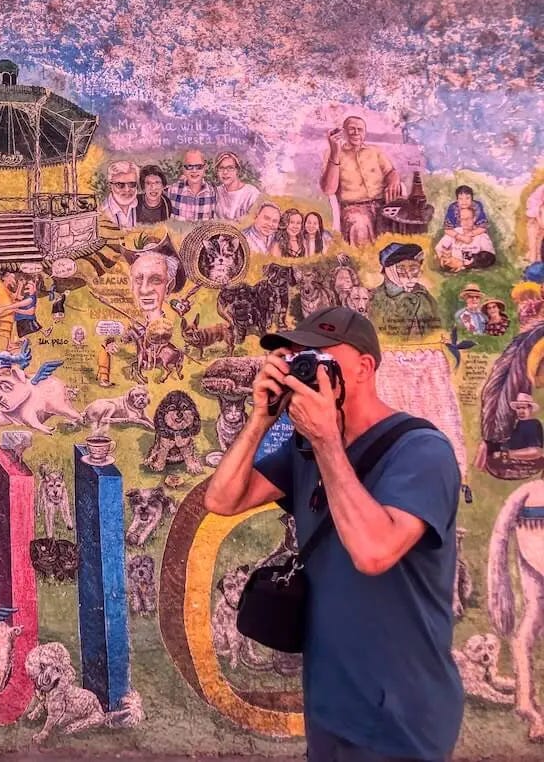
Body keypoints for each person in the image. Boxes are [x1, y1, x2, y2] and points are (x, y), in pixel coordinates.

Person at [204, 306, 463, 762]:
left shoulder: (423, 453)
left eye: (321, 359)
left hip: (401, 714)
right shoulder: (307, 451)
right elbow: (223, 499)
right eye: (298, 360)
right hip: (329, 702)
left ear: (364, 368)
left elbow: (373, 552)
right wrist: (261, 419)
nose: (307, 371)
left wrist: (326, 440)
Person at [320, 115, 403, 240]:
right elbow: (328, 190)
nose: (356, 132)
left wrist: (394, 181)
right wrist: (335, 152)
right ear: (344, 131)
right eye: (352, 129)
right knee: (359, 225)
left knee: (404, 220)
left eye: (360, 129)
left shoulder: (375, 151)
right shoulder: (332, 154)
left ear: (365, 132)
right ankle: (360, 259)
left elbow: (391, 172)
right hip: (353, 208)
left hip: (382, 205)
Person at [369, 242, 442, 337]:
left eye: (413, 268)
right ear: (389, 271)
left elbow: (438, 325)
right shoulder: (375, 297)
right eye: (400, 269)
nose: (409, 275)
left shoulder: (423, 294)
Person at [435, 206, 496, 271]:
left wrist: (464, 265)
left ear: (474, 218)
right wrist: (443, 258)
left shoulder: (482, 236)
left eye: (468, 219)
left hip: (471, 268)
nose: (465, 222)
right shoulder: (454, 232)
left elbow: (489, 258)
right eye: (462, 219)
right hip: (452, 266)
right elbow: (439, 249)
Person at [168, 150, 217, 222]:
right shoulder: (172, 191)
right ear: (183, 169)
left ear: (205, 167)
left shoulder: (213, 193)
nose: (194, 171)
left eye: (199, 166)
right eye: (189, 166)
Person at [213, 151, 260, 220]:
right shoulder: (216, 192)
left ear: (237, 170)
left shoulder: (251, 193)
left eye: (230, 168)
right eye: (221, 168)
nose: (225, 172)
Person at [498, 393, 543, 460]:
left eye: (523, 408)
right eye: (518, 408)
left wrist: (507, 454)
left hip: (524, 464)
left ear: (530, 409)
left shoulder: (532, 424)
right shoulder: (519, 423)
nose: (520, 411)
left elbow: (536, 451)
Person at [101, 161, 140, 230]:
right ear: (110, 186)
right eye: (120, 185)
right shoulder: (102, 213)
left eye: (132, 184)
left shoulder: (143, 206)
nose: (127, 189)